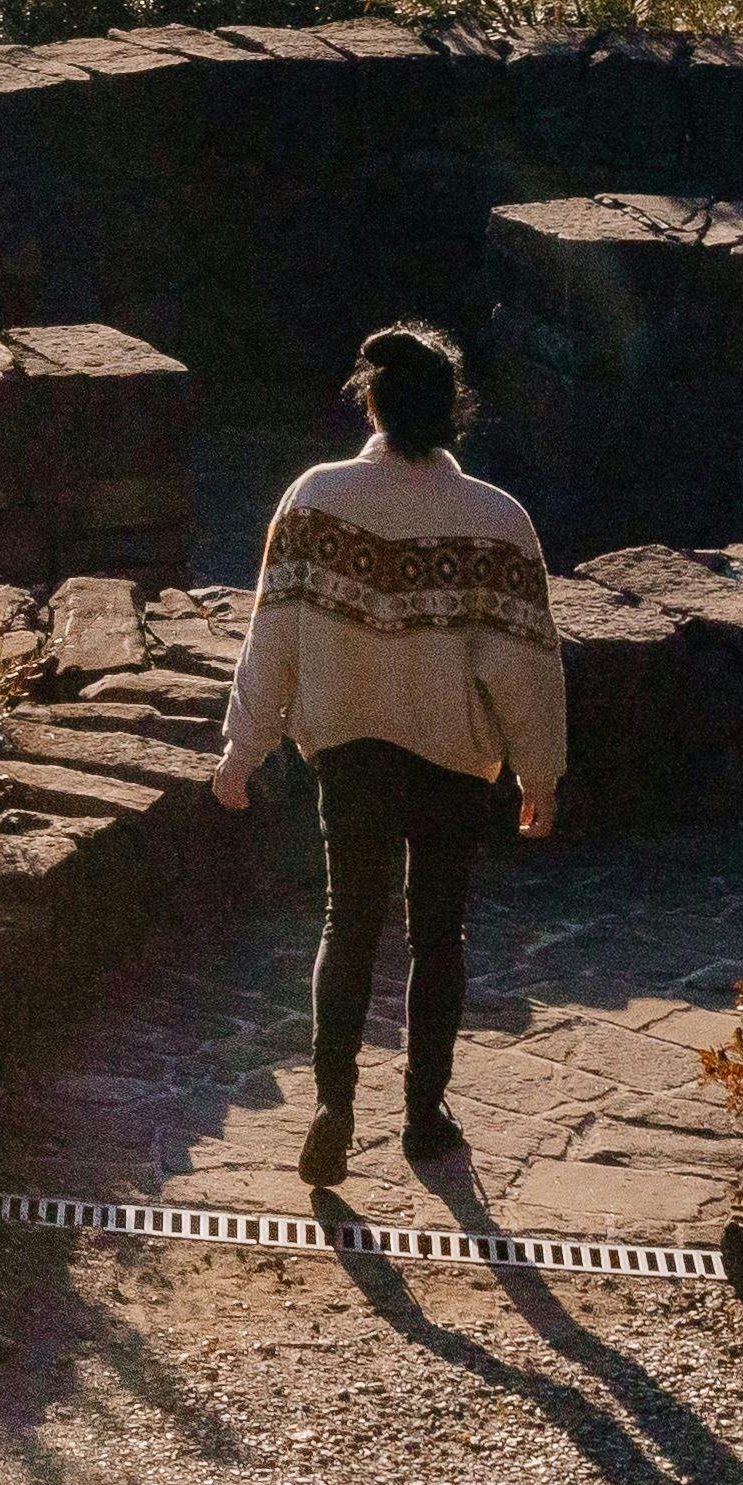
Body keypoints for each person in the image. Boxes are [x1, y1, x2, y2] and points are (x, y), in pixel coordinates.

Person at [198, 318, 563, 1180]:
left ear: (372, 400)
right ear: (453, 412)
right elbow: (527, 665)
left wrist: (241, 750)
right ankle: (425, 1114)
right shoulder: (499, 523)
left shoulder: (315, 499)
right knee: (441, 933)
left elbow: (271, 639)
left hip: (352, 751)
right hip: (452, 756)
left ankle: (332, 1102)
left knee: (349, 922)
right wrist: (539, 772)